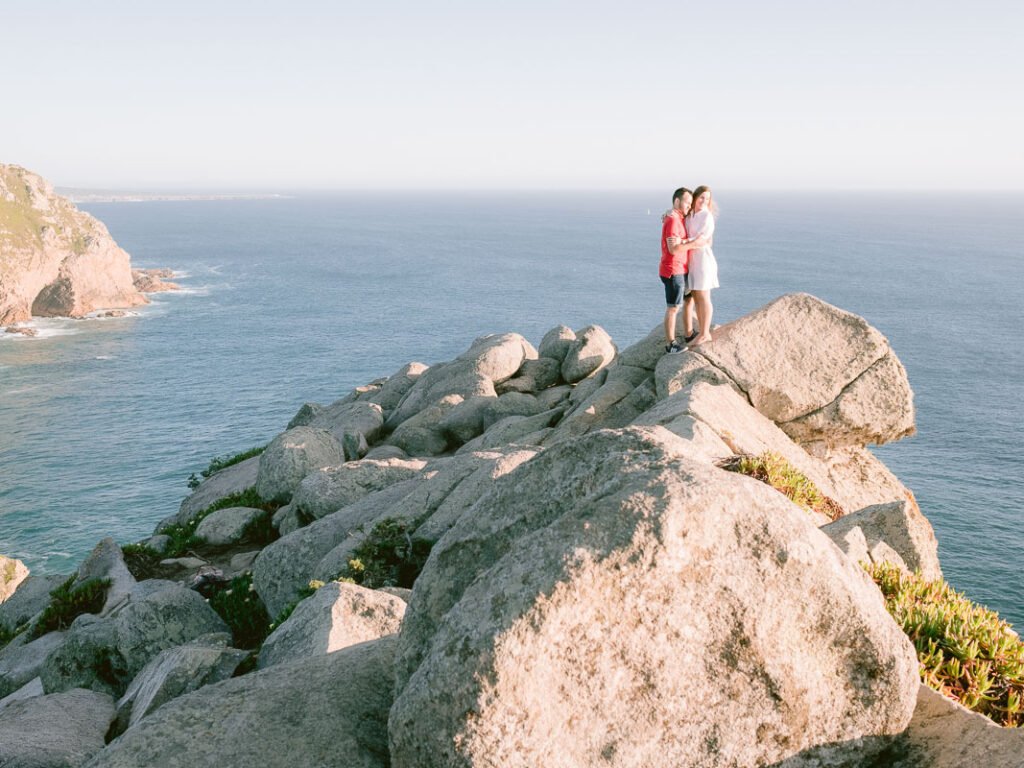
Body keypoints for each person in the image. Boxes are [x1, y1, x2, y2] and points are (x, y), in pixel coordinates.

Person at [659, 187, 702, 353]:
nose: (689, 207)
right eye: (687, 203)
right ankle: (670, 344)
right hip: (673, 270)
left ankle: (689, 334)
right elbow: (673, 249)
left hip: (682, 269)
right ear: (677, 201)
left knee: (689, 300)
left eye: (691, 204)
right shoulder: (672, 220)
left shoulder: (677, 217)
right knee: (673, 308)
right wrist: (694, 244)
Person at [680, 185, 718, 346]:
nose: (704, 201)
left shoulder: (706, 216)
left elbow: (701, 240)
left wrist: (681, 243)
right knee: (696, 297)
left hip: (702, 260)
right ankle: (702, 331)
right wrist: (667, 213)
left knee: (704, 297)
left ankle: (704, 333)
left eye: (707, 198)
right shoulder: (690, 215)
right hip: (692, 261)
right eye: (702, 197)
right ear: (695, 197)